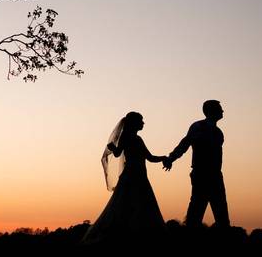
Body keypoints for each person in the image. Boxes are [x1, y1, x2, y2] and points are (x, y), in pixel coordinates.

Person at [82, 111, 168, 244]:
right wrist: (113, 148)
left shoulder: (132, 138)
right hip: (133, 175)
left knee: (132, 204)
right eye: (141, 120)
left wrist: (163, 158)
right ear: (135, 123)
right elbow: (121, 154)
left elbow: (145, 157)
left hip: (137, 175)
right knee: (134, 204)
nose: (143, 123)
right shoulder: (130, 137)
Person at [164, 100, 229, 227]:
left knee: (221, 213)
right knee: (196, 211)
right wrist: (171, 158)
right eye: (219, 108)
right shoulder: (198, 126)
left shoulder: (218, 132)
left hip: (215, 175)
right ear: (211, 111)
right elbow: (185, 143)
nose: (222, 111)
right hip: (201, 174)